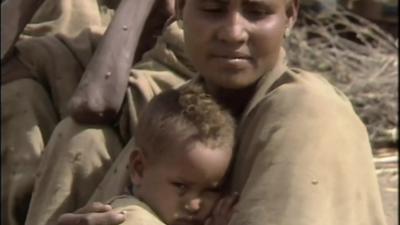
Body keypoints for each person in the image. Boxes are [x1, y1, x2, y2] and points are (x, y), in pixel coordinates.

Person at [40, 0, 391, 224]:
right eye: (212, 9)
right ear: (179, 10)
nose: (234, 32)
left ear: (290, 15)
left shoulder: (309, 115)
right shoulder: (188, 107)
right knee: (84, 142)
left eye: (257, 12)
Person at [1, 1, 175, 225]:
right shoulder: (85, 28)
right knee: (18, 95)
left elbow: (95, 104)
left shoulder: (188, 41)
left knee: (85, 139)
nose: (233, 33)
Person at [106, 83, 238, 225]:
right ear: (139, 168)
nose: (194, 205)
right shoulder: (129, 218)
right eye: (181, 186)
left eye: (211, 190)